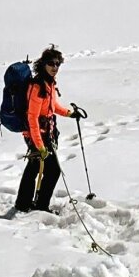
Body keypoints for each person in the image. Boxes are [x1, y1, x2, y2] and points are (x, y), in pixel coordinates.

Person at [14, 44, 85, 212]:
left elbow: (52, 106)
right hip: (36, 134)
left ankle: (23, 204)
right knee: (53, 171)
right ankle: (40, 206)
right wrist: (39, 145)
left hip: (45, 133)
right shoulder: (38, 86)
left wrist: (69, 113)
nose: (55, 67)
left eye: (57, 64)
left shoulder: (49, 83)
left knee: (34, 168)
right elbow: (32, 117)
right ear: (43, 64)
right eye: (51, 63)